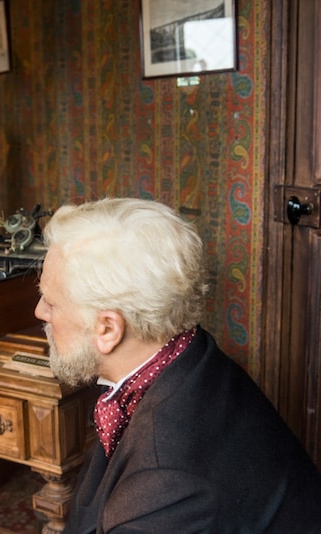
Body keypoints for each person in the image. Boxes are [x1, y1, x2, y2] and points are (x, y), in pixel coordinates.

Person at [34, 198, 321, 533]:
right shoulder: (190, 353)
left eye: (51, 302)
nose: (40, 311)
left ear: (108, 329)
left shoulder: (167, 485)